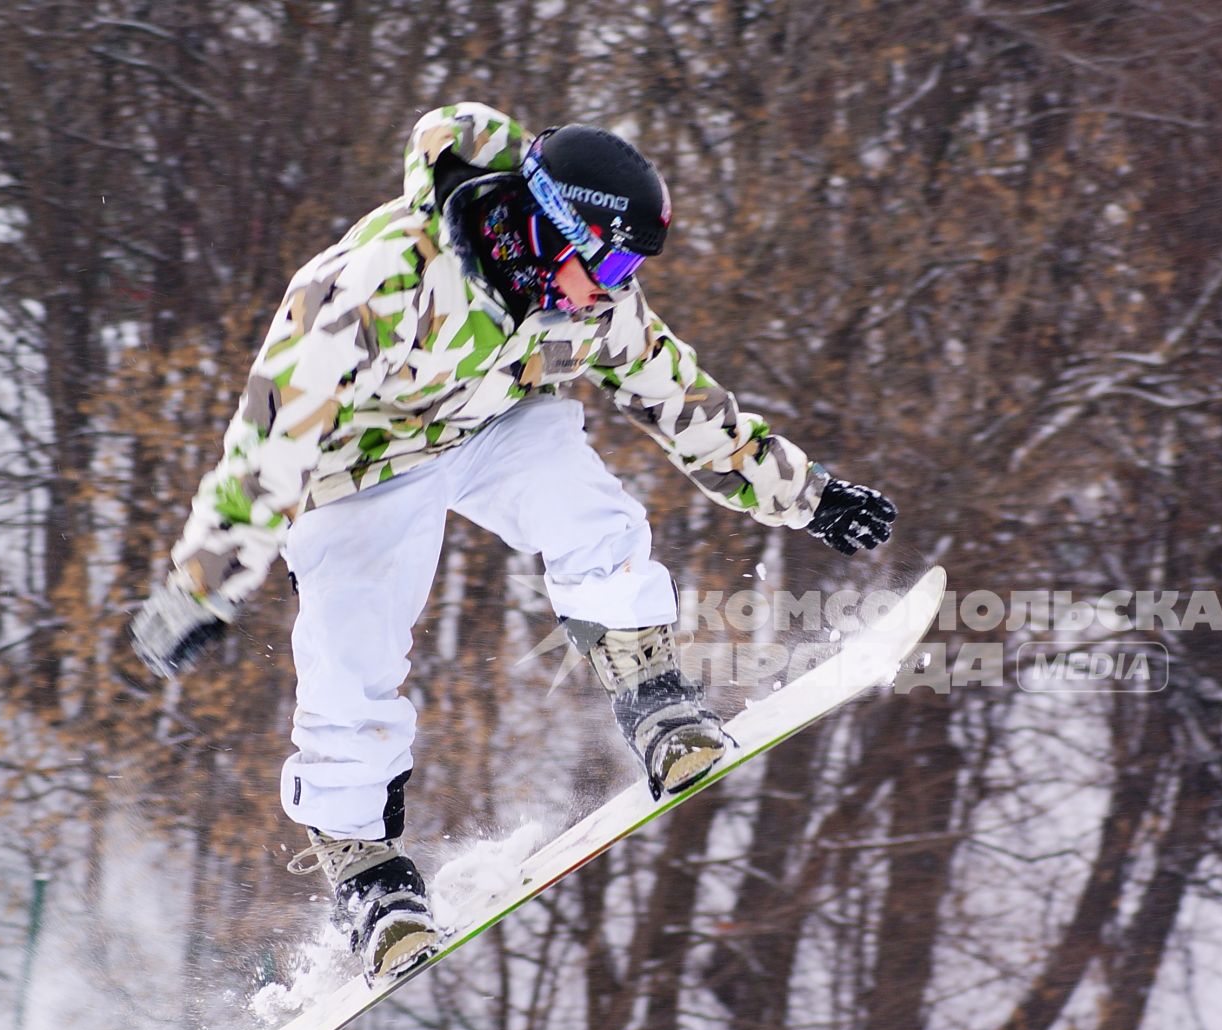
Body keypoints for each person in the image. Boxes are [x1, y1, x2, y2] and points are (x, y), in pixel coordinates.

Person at [128, 103, 896, 981]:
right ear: (545, 229)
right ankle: (369, 874)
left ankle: (653, 699)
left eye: (634, 266)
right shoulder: (369, 288)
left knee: (593, 515)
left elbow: (677, 396)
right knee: (350, 646)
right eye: (609, 259)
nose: (616, 283)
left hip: (494, 426)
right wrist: (203, 584)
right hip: (359, 467)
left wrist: (808, 495)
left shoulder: (589, 299)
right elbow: (268, 446)